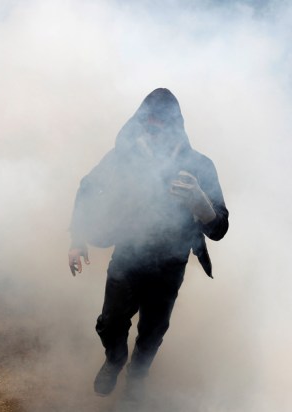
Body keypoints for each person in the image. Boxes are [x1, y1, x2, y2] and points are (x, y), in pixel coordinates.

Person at [67, 88, 229, 396]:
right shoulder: (123, 159)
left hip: (171, 262)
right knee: (110, 322)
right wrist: (77, 238)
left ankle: (137, 376)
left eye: (162, 124)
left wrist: (201, 203)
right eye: (148, 121)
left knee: (153, 332)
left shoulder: (199, 165)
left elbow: (219, 228)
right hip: (129, 253)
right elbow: (88, 188)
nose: (154, 130)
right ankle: (115, 359)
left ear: (176, 127)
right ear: (139, 122)